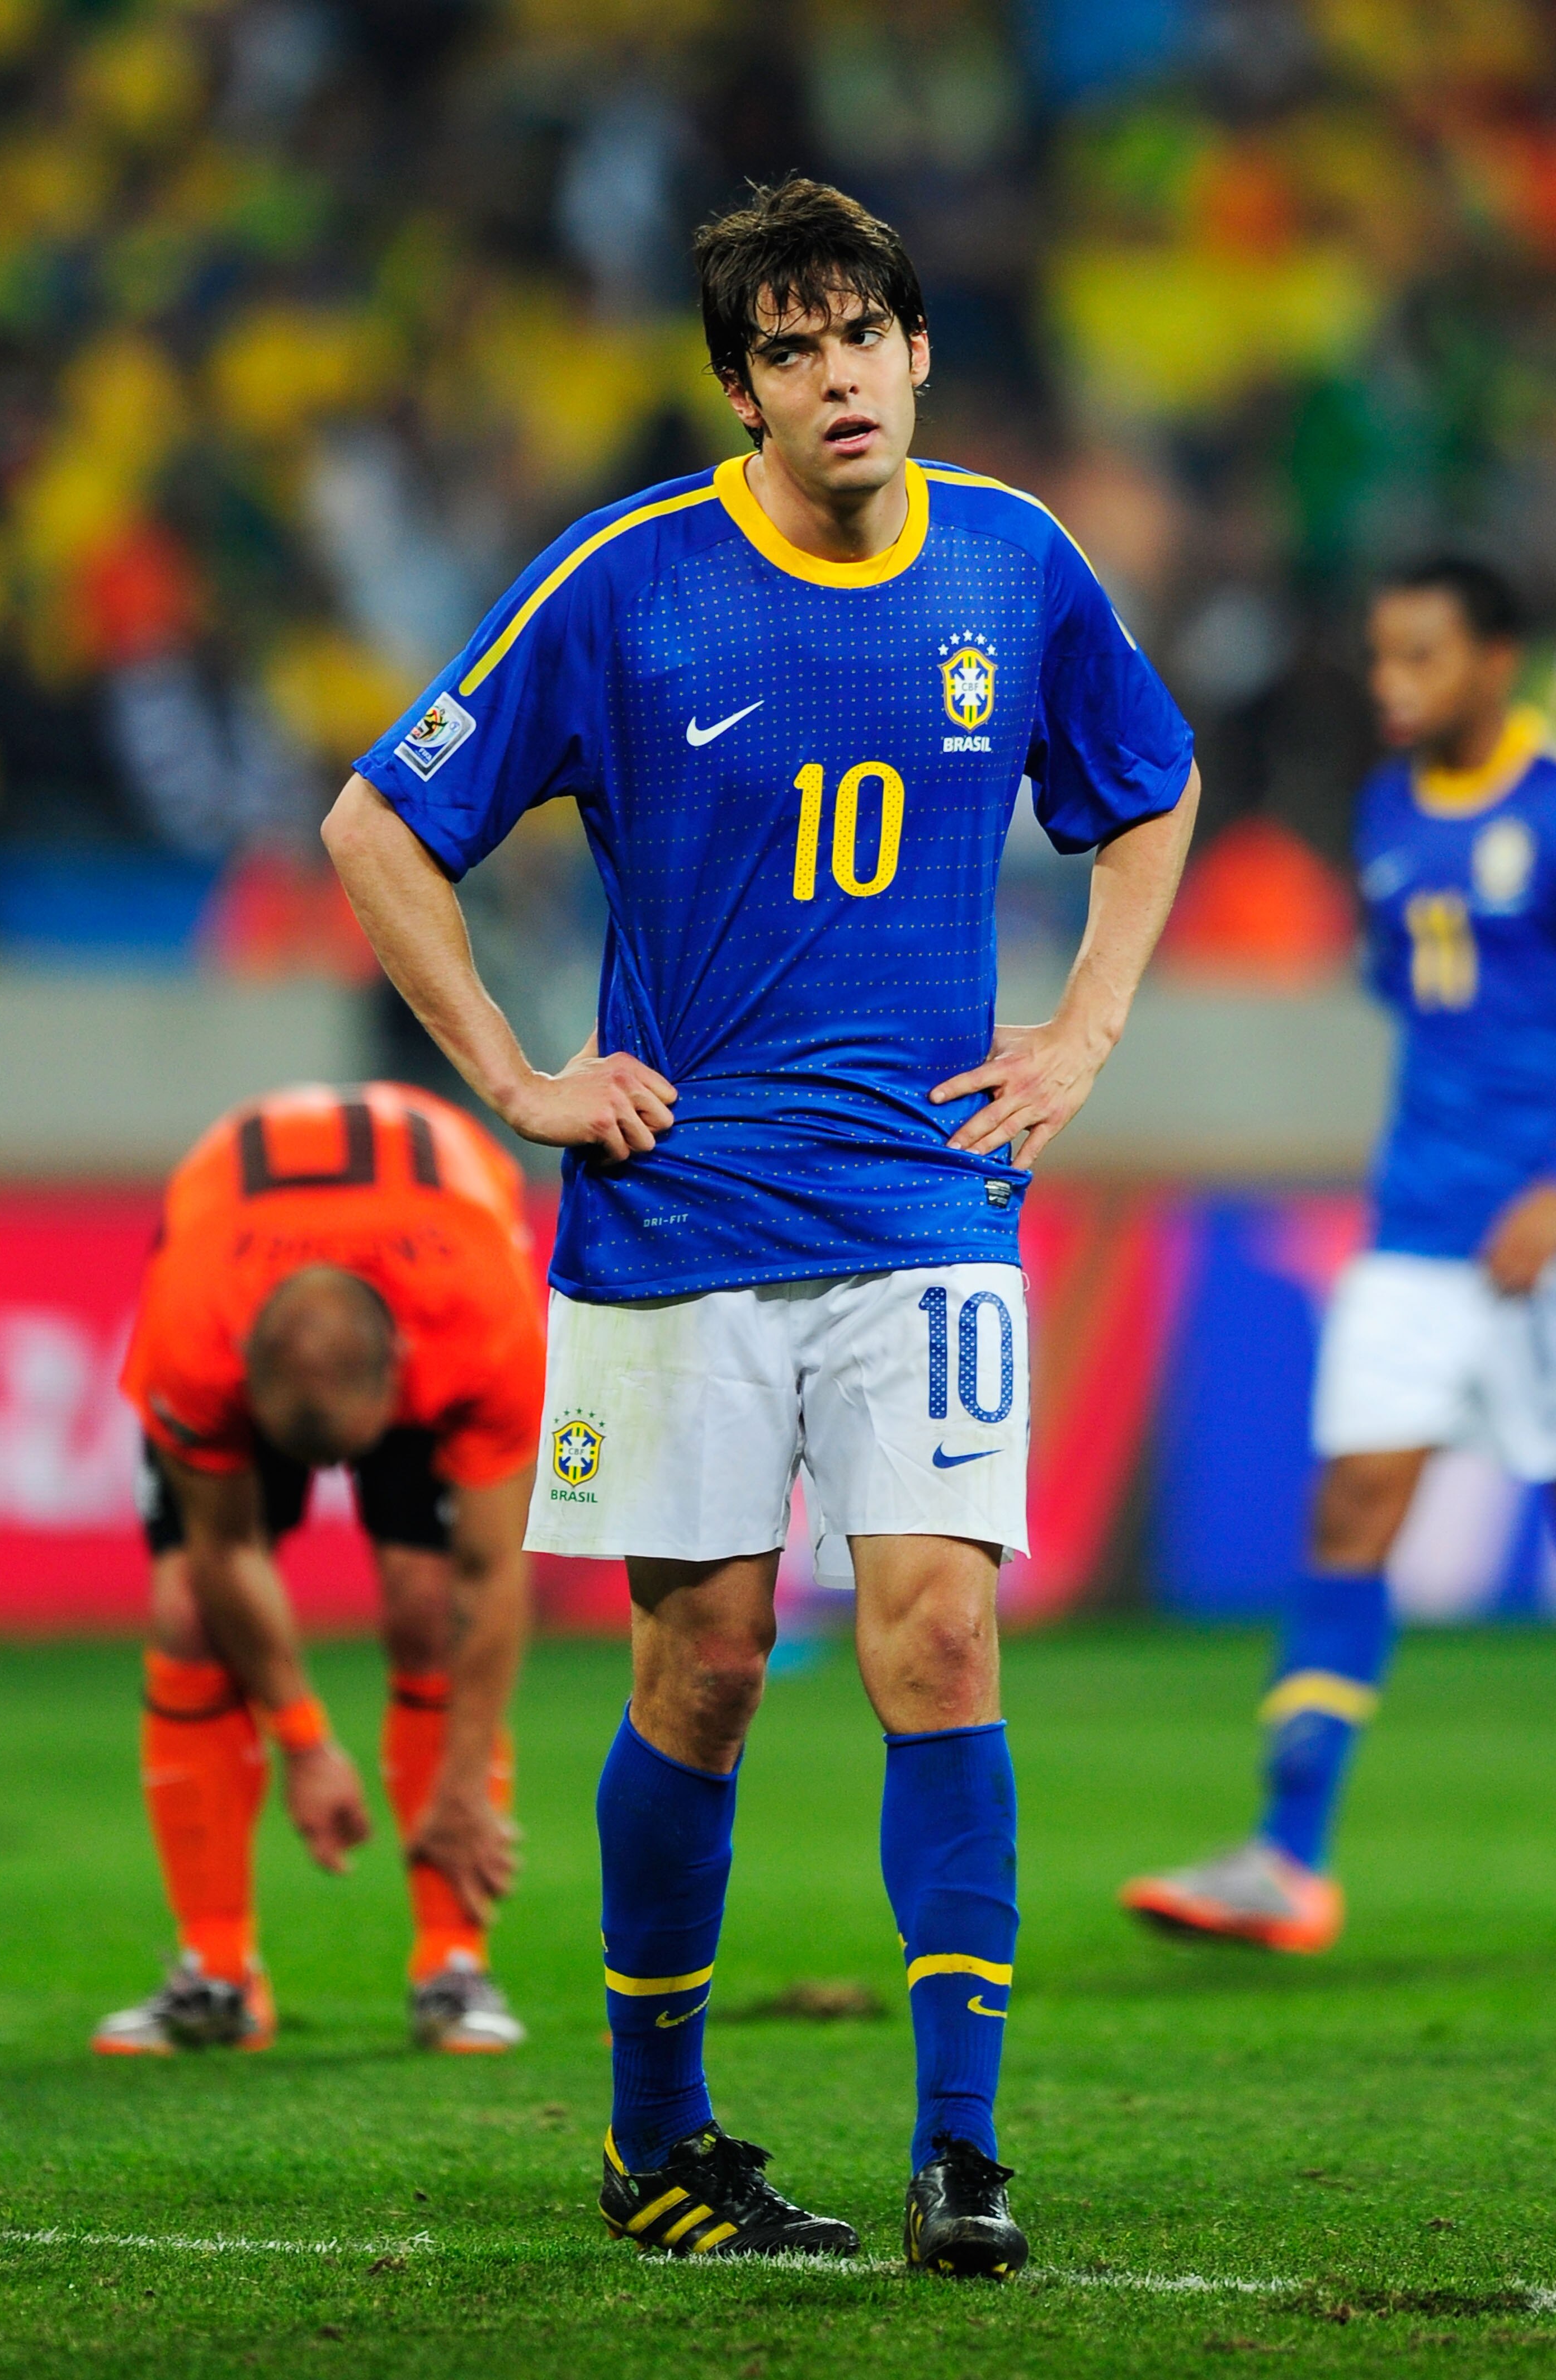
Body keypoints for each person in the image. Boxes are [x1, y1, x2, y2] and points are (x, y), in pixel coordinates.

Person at [324, 178, 1197, 2276]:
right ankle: (656, 2143)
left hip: (926, 1199)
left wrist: (1082, 1028)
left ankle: (960, 2156)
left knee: (941, 1632)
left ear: (916, 350)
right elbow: (377, 824)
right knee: (703, 1666)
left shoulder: (1017, 558)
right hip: (676, 1219)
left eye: (862, 334)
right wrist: (523, 1079)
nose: (836, 377)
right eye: (789, 348)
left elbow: (1147, 786)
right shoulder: (631, 582)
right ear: (744, 387)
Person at [1123, 557, 1556, 1955]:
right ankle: (1286, 1852)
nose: (1393, 684)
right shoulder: (1381, 810)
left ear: (1499, 662)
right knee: (1353, 1509)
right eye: (1382, 657)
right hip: (1421, 1226)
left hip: (1542, 1222)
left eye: (1423, 657)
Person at [93, 1080, 546, 2056]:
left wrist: (464, 1784)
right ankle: (216, 1971)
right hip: (236, 1229)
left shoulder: (484, 1327)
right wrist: (305, 1742)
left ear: (400, 1390)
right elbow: (224, 1547)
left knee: (428, 1604)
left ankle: (454, 1964)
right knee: (185, 1613)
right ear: (242, 1385)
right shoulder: (192, 1333)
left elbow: (490, 1574)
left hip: (436, 1231)